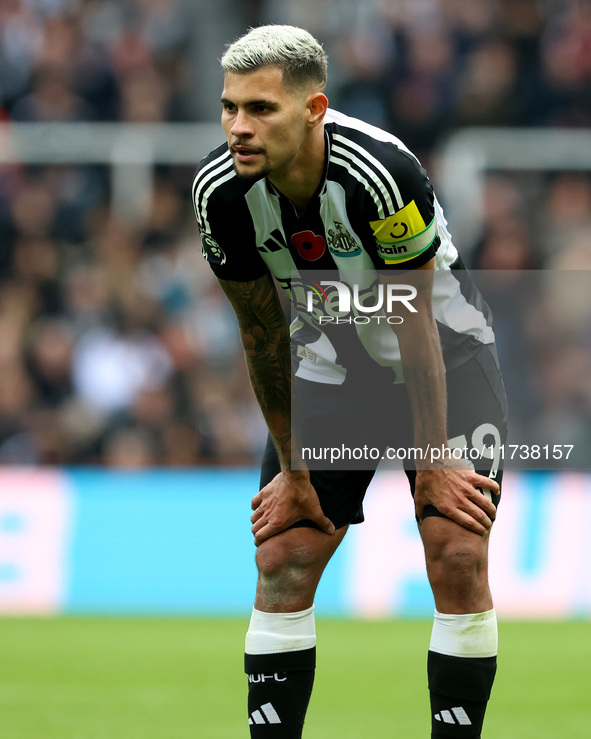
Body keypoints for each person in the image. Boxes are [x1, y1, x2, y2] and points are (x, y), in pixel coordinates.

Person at [192, 24, 508, 738]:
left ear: (312, 109)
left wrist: (430, 463)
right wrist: (295, 468)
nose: (239, 127)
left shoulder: (379, 171)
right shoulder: (218, 193)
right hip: (329, 373)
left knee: (456, 550)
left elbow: (416, 321)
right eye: (229, 107)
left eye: (260, 109)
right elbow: (261, 333)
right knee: (283, 553)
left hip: (442, 362)